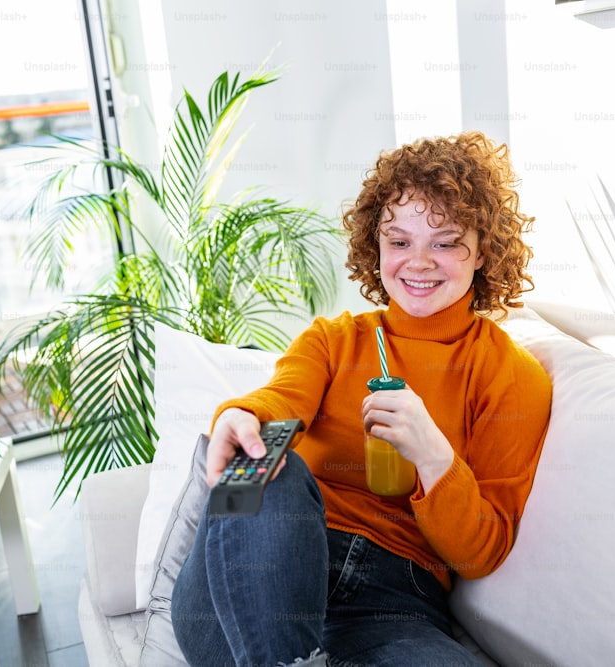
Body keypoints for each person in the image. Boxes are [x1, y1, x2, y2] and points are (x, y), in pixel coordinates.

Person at [171, 130, 552, 666]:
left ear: (484, 249)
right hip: (253, 578)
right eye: (399, 241)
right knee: (265, 464)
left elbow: (480, 554)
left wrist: (433, 455)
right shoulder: (333, 340)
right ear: (376, 247)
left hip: (394, 605)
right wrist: (242, 416)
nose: (417, 262)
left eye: (444, 242)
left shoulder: (511, 376)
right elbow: (282, 398)